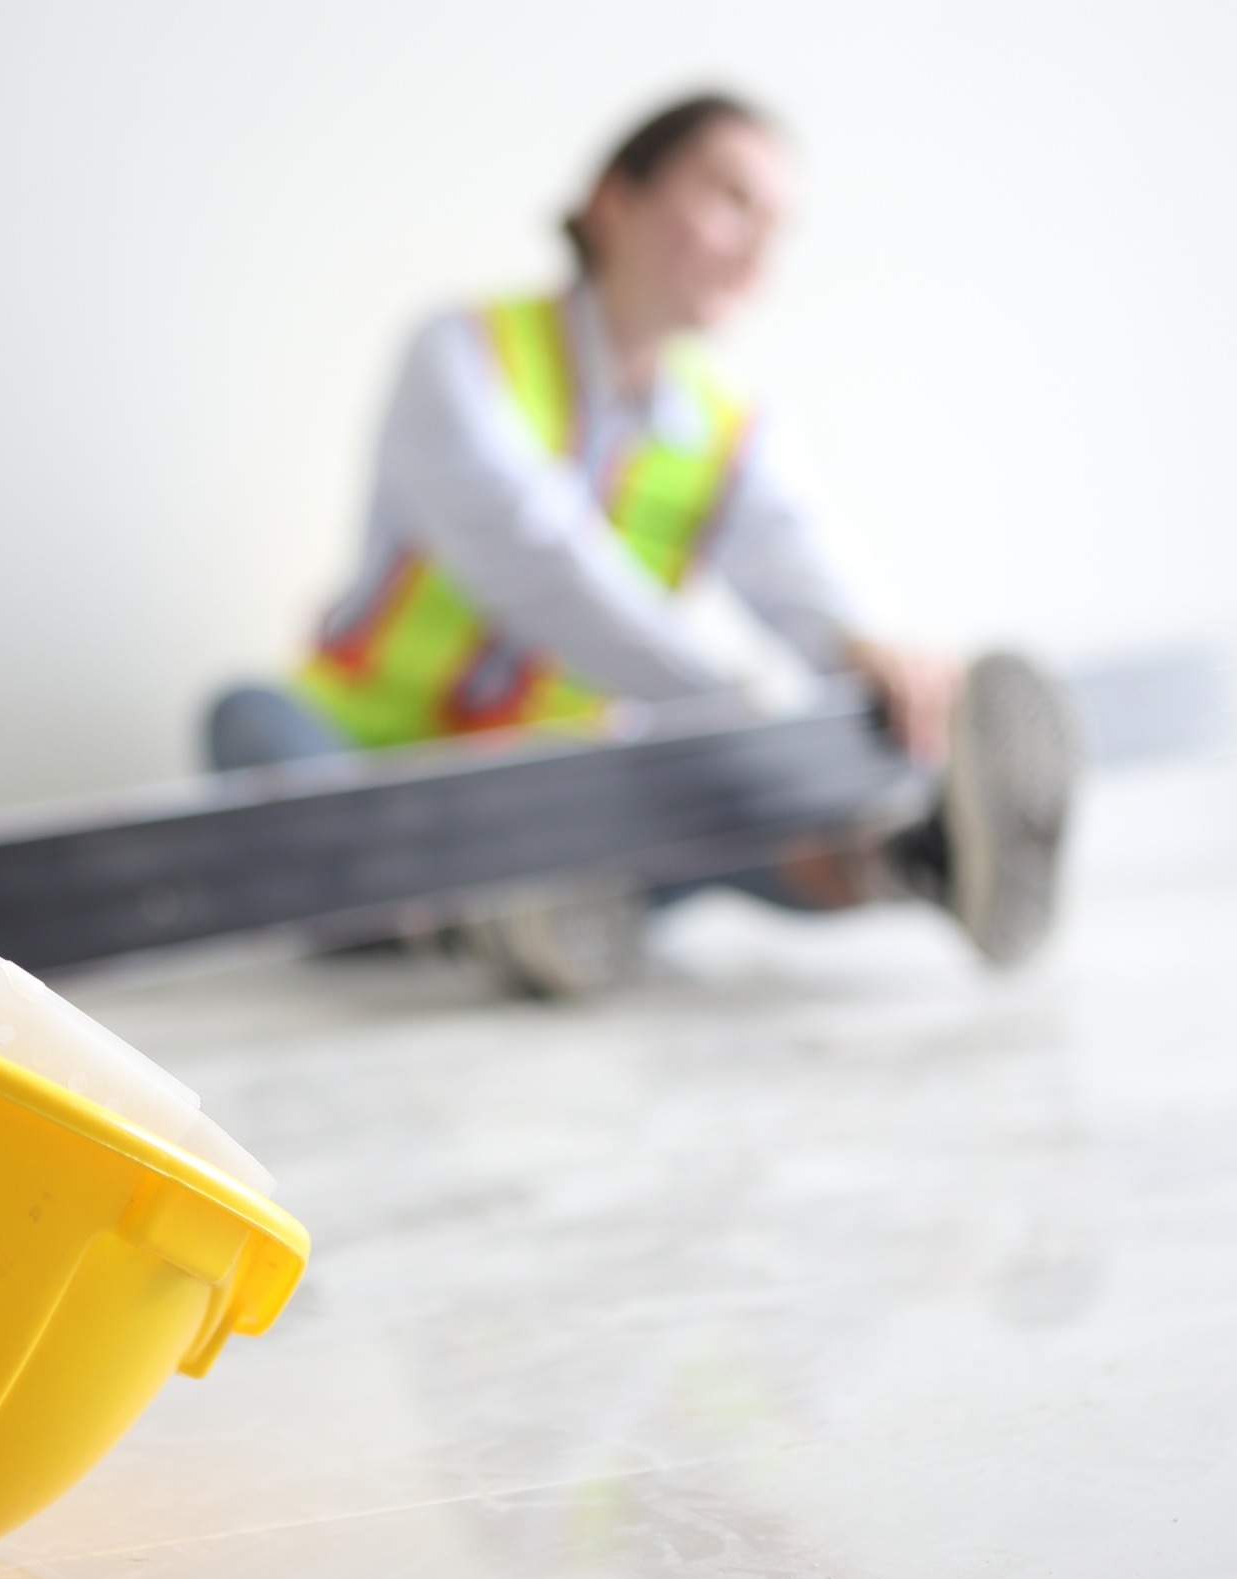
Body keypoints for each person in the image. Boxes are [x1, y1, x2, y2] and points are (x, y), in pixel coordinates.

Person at [206, 92, 1076, 989]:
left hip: (558, 789)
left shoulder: (730, 430)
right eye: (732, 201)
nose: (758, 250)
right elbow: (543, 566)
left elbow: (803, 571)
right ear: (614, 200)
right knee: (247, 722)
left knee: (694, 790)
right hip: (382, 760)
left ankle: (909, 859)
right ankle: (473, 917)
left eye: (779, 226)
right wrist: (744, 716)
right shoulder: (464, 354)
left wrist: (874, 664)